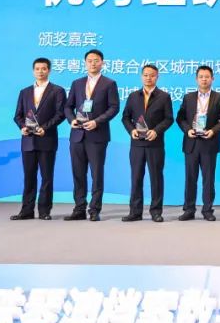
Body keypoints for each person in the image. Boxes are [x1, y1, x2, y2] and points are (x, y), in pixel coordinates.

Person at [63, 49, 119, 222]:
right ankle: (79, 208)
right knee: (78, 173)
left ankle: (94, 209)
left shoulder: (109, 83)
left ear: (102, 63)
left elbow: (114, 107)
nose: (93, 63)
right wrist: (72, 120)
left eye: (96, 60)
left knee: (96, 174)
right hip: (77, 135)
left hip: (97, 135)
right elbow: (68, 106)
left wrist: (97, 122)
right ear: (85, 63)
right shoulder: (77, 83)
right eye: (89, 60)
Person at [11, 58, 67, 220]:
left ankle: (44, 211)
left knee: (46, 177)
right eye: (37, 69)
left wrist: (45, 128)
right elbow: (18, 115)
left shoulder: (57, 91)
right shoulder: (25, 92)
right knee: (29, 177)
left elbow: (61, 114)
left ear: (49, 70)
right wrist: (22, 127)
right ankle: (26, 211)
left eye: (44, 68)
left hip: (46, 139)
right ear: (33, 71)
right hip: (28, 141)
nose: (40, 71)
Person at [175, 65, 220, 221]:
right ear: (196, 79)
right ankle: (189, 209)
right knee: (190, 179)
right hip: (191, 143)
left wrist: (213, 131)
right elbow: (180, 118)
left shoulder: (219, 98)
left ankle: (207, 210)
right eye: (201, 77)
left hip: (209, 143)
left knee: (208, 179)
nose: (204, 79)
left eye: (207, 77)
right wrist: (187, 130)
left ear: (212, 79)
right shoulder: (188, 97)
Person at [121, 64, 173, 222]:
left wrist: (156, 131)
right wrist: (131, 130)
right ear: (141, 76)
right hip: (137, 144)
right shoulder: (133, 96)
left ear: (157, 77)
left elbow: (169, 119)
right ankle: (135, 212)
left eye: (152, 75)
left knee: (156, 178)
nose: (148, 78)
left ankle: (156, 212)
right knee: (136, 178)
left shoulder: (164, 96)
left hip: (155, 144)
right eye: (145, 75)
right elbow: (125, 117)